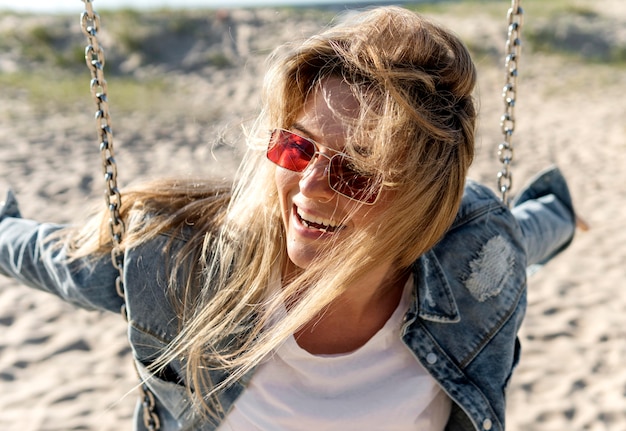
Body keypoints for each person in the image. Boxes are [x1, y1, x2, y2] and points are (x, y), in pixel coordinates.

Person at [0, 6, 578, 431]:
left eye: (356, 171)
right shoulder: (177, 262)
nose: (309, 185)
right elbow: (50, 257)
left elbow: (525, 235)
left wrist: (561, 211)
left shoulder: (476, 255)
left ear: (424, 197)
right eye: (296, 148)